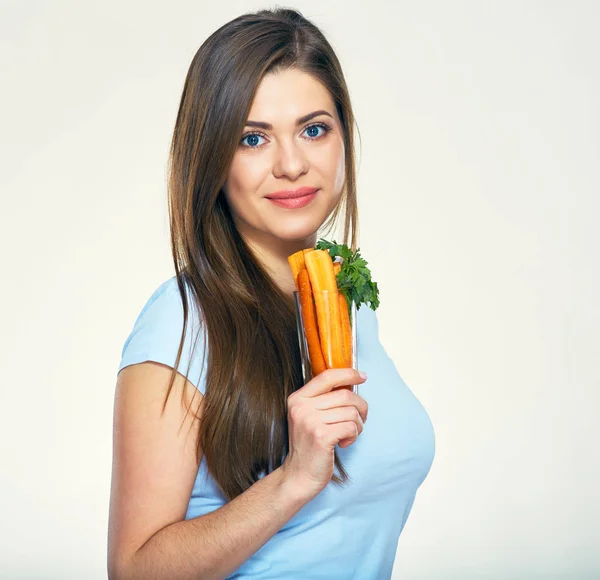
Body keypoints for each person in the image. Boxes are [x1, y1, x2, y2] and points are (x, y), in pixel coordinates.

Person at [107, 7, 435, 580]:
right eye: (253, 139)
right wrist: (292, 481)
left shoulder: (345, 307)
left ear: (342, 140)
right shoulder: (181, 323)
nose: (291, 164)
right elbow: (133, 570)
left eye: (314, 129)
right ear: (213, 159)